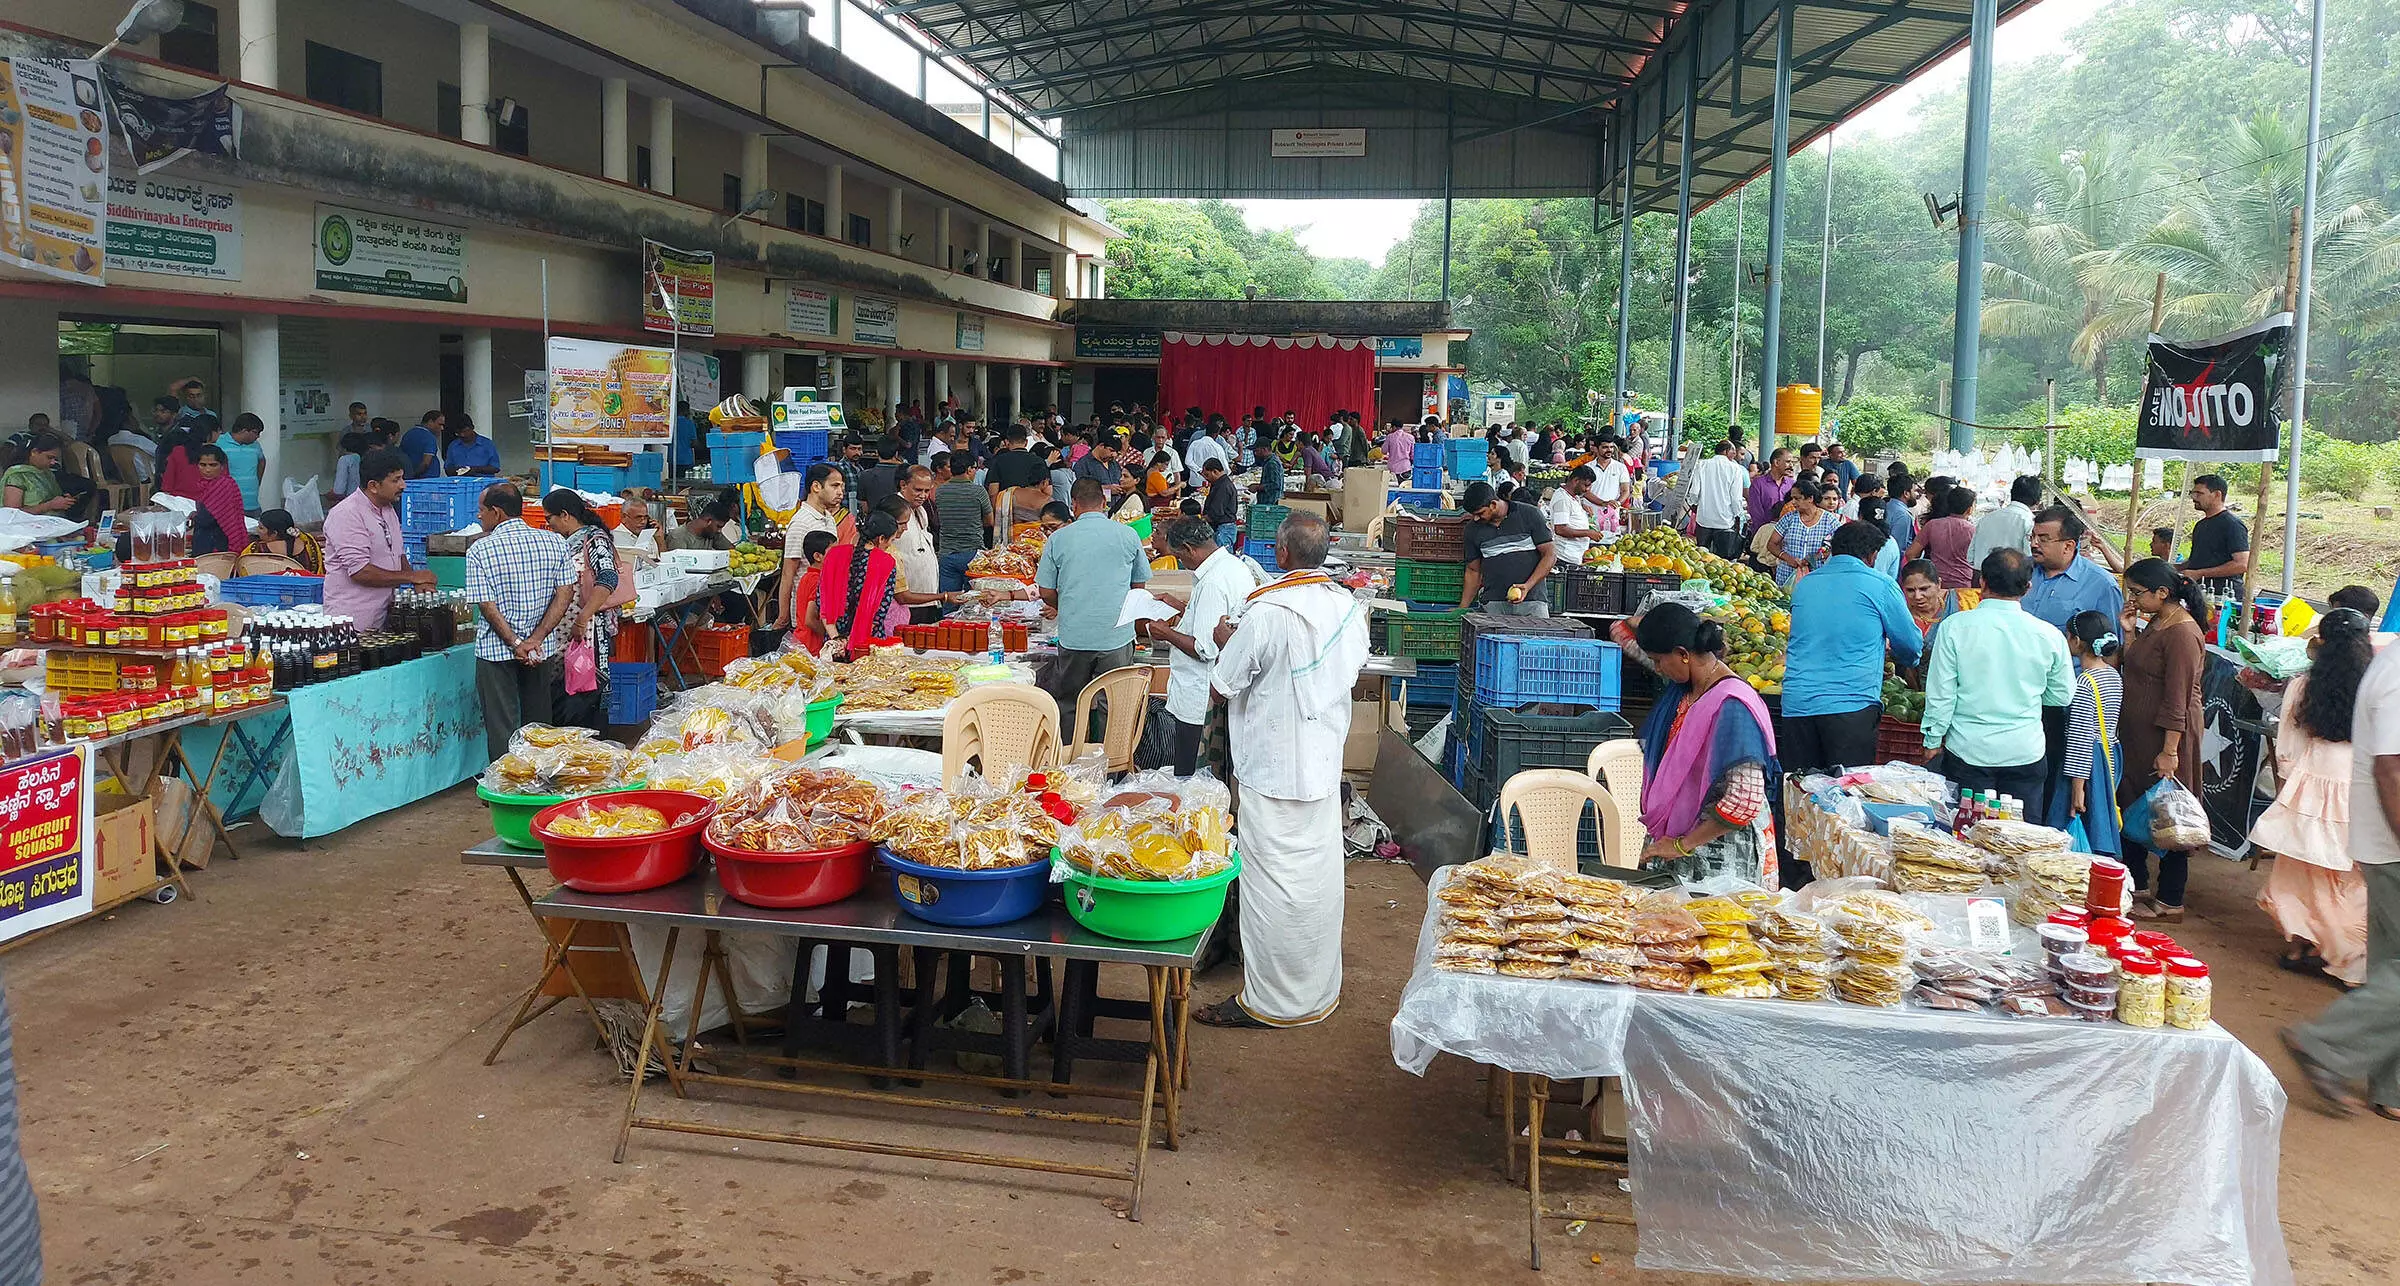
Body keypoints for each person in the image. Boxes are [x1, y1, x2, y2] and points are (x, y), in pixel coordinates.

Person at [1193, 511, 1369, 1030]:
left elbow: (1222, 685)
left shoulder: (1268, 612)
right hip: (1320, 765)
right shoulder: (1345, 606)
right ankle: (1316, 989)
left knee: (1271, 887)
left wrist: (1225, 639)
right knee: (1316, 880)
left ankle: (1271, 1002)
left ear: (1282, 553)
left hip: (1271, 770)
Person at [2279, 634, 2400, 1119]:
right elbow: (2390, 768)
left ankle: (2391, 1089)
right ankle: (2324, 1045)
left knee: (2391, 968)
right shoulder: (2396, 673)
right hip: (2393, 845)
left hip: (2384, 843)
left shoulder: (2389, 663)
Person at [2254, 609, 2375, 985]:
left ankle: (2299, 947)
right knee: (2347, 878)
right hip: (2359, 783)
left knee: (2298, 872)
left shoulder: (2304, 686)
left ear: (2321, 643)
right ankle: (2348, 956)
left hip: (2312, 780)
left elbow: (2288, 748)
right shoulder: (2378, 688)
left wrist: (2287, 787)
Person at [1623, 602, 1780, 886]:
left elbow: (1744, 801)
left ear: (1683, 654)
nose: (1657, 669)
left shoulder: (1733, 708)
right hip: (1678, 846)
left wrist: (1682, 845)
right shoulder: (1689, 690)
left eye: (1658, 661)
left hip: (1720, 854)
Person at [1921, 549, 2074, 814]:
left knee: (1968, 830)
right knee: (2021, 834)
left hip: (1969, 751)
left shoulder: (1955, 627)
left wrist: (1933, 740)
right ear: (2027, 588)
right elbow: (2061, 696)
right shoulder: (2049, 635)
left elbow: (1942, 694)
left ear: (1982, 583)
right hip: (2025, 751)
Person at [1783, 522, 1923, 779]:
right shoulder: (1880, 584)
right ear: (1872, 555)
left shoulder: (1805, 584)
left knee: (1800, 790)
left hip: (1797, 704)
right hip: (1851, 706)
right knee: (1846, 791)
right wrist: (1904, 660)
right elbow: (1910, 645)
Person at [2116, 558, 2209, 922]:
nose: (2133, 600)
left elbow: (2177, 699)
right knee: (2134, 801)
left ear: (2162, 592)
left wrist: (2170, 751)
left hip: (2167, 737)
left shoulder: (2182, 634)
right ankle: (2137, 883)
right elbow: (2139, 668)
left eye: (2137, 593)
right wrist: (2129, 633)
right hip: (2140, 737)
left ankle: (2171, 897)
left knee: (2171, 813)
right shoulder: (2157, 622)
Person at [465, 483, 578, 758]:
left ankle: (506, 780)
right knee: (538, 723)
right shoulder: (555, 542)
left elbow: (486, 605)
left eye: (482, 510)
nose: (479, 516)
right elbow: (565, 593)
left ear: (496, 512)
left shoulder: (480, 550)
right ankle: (539, 777)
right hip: (541, 649)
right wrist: (536, 639)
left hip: (496, 651)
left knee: (501, 726)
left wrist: (516, 643)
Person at [1146, 516, 1258, 778]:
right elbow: (1210, 618)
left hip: (1198, 695)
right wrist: (1181, 607)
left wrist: (1166, 633)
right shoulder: (1234, 566)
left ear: (1189, 549)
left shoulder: (1212, 583)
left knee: (1191, 775)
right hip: (1216, 689)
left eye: (1180, 557)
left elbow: (1205, 648)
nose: (1182, 562)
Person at [1035, 478, 1151, 728]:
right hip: (1116, 636)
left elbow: (1045, 591)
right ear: (1104, 502)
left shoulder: (1058, 538)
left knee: (1070, 703)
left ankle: (1070, 750)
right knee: (1115, 705)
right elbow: (1139, 586)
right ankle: (1113, 754)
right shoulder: (1128, 534)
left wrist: (1065, 606)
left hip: (1074, 637)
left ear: (1074, 504)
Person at [543, 490, 625, 729]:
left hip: (589, 633)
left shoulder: (595, 540)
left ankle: (591, 744)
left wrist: (583, 617)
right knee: (567, 693)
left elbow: (608, 578)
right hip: (567, 633)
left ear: (565, 515)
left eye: (550, 518)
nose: (549, 525)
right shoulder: (567, 543)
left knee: (586, 694)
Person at [322, 450, 431, 628]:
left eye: (402, 478)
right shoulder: (347, 514)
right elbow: (361, 572)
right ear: (373, 486)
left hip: (384, 616)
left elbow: (398, 554)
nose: (403, 485)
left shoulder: (388, 509)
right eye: (395, 480)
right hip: (352, 622)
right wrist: (412, 577)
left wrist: (418, 583)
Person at [2058, 610, 2125, 856]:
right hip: (2108, 757)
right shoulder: (2113, 675)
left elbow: (2081, 737)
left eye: (2067, 636)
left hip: (2086, 765)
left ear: (2076, 641)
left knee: (2080, 825)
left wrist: (2078, 789)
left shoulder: (2085, 683)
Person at [809, 509, 910, 656]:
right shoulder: (886, 563)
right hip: (867, 645)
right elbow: (878, 614)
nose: (889, 545)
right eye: (891, 540)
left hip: (834, 646)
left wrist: (837, 640)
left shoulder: (834, 555)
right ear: (881, 538)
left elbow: (823, 603)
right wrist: (851, 642)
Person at [1454, 480, 1555, 616]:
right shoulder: (1472, 530)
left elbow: (1549, 555)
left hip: (1532, 602)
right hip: (1493, 604)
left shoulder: (1529, 514)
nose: (1476, 518)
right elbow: (1473, 571)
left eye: (1480, 513)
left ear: (1493, 504)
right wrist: (1462, 608)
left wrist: (1527, 586)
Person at [2023, 506, 2125, 630]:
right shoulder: (2019, 570)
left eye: (2043, 539)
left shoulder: (2102, 585)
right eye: (2032, 537)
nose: (2034, 544)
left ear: (2068, 546)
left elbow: (2111, 638)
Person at [884, 477, 956, 624]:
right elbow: (902, 596)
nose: (923, 495)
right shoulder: (888, 553)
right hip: (904, 608)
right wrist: (944, 596)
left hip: (924, 599)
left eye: (927, 491)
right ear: (903, 485)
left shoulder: (921, 511)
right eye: (918, 490)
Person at [2178, 472, 2250, 604]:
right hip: (2200, 593)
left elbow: (2242, 564)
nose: (2194, 497)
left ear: (2217, 494)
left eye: (2199, 493)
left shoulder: (2232, 524)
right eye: (2193, 493)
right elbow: (2198, 560)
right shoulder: (2200, 525)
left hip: (2224, 596)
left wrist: (2199, 573)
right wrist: (2176, 568)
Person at [1767, 481, 1844, 588]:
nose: (1793, 502)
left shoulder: (1830, 521)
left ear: (1810, 498)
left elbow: (1840, 548)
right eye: (1792, 498)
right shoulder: (1789, 518)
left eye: (1797, 498)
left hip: (1817, 577)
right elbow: (1772, 544)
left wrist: (1815, 557)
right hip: (1787, 575)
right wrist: (1788, 558)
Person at [1907, 484, 1980, 589]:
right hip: (1963, 587)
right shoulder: (1973, 531)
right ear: (1969, 509)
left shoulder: (1932, 525)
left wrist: (1920, 577)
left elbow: (1910, 554)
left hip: (1935, 586)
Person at [1899, 558, 1978, 653]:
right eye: (1910, 590)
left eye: (1924, 589)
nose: (1917, 596)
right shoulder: (1902, 618)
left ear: (1939, 584)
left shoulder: (1965, 599)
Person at [183, 445, 250, 555]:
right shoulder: (202, 485)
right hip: (203, 540)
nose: (207, 470)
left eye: (213, 465)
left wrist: (195, 517)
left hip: (219, 544)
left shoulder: (224, 485)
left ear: (222, 466)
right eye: (203, 465)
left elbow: (206, 519)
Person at [1690, 439, 1749, 560]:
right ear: (1726, 451)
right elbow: (1735, 498)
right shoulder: (1735, 469)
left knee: (1700, 558)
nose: (1734, 454)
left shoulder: (1702, 465)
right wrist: (1738, 515)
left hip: (1704, 519)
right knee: (1723, 561)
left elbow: (1694, 492)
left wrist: (1695, 504)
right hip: (1725, 521)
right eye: (1733, 451)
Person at [1967, 475, 2041, 569]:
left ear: (2012, 494)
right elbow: (2030, 559)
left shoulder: (1985, 519)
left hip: (1983, 575)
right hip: (2014, 576)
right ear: (2037, 501)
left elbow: (1970, 557)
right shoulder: (2029, 522)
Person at [781, 529, 837, 653]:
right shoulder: (818, 581)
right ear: (817, 556)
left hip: (800, 640)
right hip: (812, 645)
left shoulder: (806, 577)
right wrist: (829, 635)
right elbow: (810, 620)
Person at [1541, 465, 1603, 568]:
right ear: (1575, 480)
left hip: (1574, 555)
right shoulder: (1562, 499)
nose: (1587, 490)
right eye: (1586, 485)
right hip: (1565, 557)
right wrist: (1588, 533)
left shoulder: (1573, 496)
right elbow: (1561, 529)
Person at [1, 431, 73, 517]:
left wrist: (63, 500)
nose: (53, 462)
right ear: (34, 452)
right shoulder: (17, 477)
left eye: (55, 459)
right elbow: (11, 514)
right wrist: (49, 505)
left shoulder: (47, 473)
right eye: (49, 457)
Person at [786, 462, 852, 549]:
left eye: (841, 487)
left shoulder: (829, 519)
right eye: (835, 486)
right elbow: (792, 558)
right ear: (816, 487)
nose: (840, 492)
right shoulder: (800, 523)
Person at [244, 508, 324, 572]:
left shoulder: (256, 549)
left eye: (261, 528)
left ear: (274, 533)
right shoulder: (309, 542)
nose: (257, 530)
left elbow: (244, 569)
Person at [218, 412, 266, 512]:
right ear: (244, 431)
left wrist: (256, 481)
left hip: (253, 505)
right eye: (255, 432)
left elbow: (262, 461)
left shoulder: (255, 445)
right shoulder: (220, 442)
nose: (258, 436)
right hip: (229, 506)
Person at [1746, 447, 1796, 535]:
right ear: (1776, 462)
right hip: (1764, 534)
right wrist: (1765, 533)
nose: (1791, 465)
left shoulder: (1792, 484)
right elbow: (1756, 513)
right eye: (1788, 462)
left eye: (1792, 462)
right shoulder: (1758, 484)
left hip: (1787, 535)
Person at [666, 495, 737, 552]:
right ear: (708, 521)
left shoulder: (713, 533)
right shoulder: (678, 537)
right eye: (718, 526)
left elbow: (732, 550)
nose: (719, 530)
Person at [1200, 458, 1240, 549]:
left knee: (1223, 554)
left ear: (1215, 471)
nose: (1206, 478)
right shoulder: (1220, 484)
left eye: (1207, 475)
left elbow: (1216, 512)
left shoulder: (1223, 487)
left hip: (1224, 529)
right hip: (1223, 527)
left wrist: (1201, 519)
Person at [613, 493, 662, 560]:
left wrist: (660, 539)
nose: (643, 522)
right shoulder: (615, 538)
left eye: (645, 517)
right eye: (638, 517)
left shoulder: (649, 535)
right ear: (624, 517)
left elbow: (665, 560)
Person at [400, 410, 445, 479]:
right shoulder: (429, 437)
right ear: (430, 422)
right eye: (440, 424)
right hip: (428, 479)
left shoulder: (407, 434)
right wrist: (414, 475)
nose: (442, 428)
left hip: (408, 477)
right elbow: (426, 463)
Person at [1883, 472, 1919, 553]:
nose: (1916, 494)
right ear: (1906, 493)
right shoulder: (1903, 515)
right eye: (1914, 491)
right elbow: (1898, 547)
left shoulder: (1887, 506)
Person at [331, 429, 370, 499]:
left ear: (344, 447)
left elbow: (339, 490)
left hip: (351, 499)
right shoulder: (366, 457)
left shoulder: (345, 460)